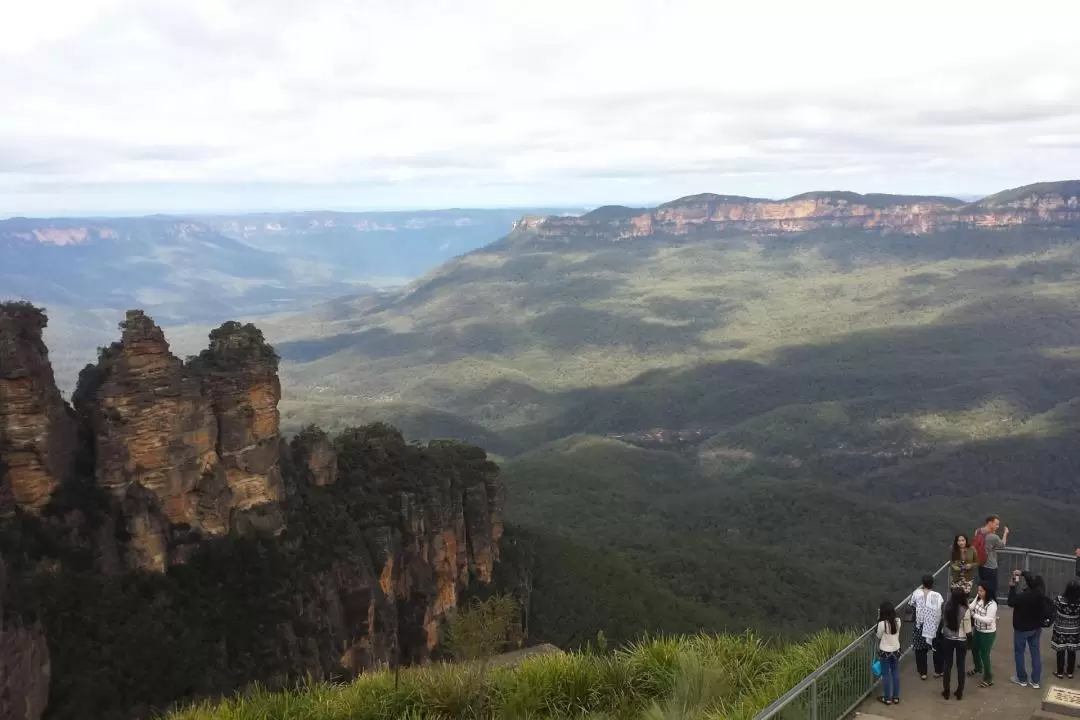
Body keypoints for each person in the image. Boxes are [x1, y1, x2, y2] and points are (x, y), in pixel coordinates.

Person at [1009, 570, 1048, 689]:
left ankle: (1022, 679)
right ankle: (1035, 680)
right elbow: (1034, 579)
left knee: (1019, 653)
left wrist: (1012, 587)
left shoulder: (1022, 597)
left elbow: (1011, 602)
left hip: (1021, 629)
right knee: (1035, 653)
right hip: (1035, 628)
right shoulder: (1042, 594)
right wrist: (1022, 573)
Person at [910, 574, 945, 680]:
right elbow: (941, 608)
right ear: (932, 583)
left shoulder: (916, 593)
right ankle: (938, 671)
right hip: (934, 625)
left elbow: (911, 605)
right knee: (936, 648)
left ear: (922, 583)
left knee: (920, 650)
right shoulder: (937, 595)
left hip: (920, 625)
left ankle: (923, 672)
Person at [940, 587, 972, 700]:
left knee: (947, 665)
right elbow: (968, 629)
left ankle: (946, 691)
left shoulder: (945, 607)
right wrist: (971, 642)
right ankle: (959, 692)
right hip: (961, 639)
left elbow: (942, 621)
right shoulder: (965, 609)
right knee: (960, 665)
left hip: (948, 638)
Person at [969, 581, 998, 687]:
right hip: (977, 630)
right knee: (974, 649)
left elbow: (989, 620)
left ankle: (988, 678)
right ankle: (978, 668)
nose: (979, 592)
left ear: (987, 591)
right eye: (978, 590)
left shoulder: (992, 604)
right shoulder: (978, 598)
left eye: (981, 591)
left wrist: (974, 615)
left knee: (984, 654)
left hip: (988, 633)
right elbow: (971, 606)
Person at [974, 515, 1009, 600]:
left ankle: (981, 606)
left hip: (981, 564)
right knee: (992, 589)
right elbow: (1002, 545)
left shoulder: (978, 531)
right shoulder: (993, 537)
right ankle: (992, 607)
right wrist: (1005, 533)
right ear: (990, 523)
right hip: (990, 567)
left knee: (982, 587)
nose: (998, 526)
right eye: (996, 524)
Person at [1052, 579, 1080, 679]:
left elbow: (1053, 609)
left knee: (1060, 651)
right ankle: (1070, 672)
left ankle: (1059, 672)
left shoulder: (1059, 599)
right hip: (1074, 630)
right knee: (1072, 651)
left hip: (1060, 628)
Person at [876, 601, 902, 705]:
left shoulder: (882, 624)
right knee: (895, 672)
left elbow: (878, 636)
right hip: (896, 650)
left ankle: (887, 698)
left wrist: (878, 619)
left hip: (885, 652)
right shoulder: (898, 621)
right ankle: (895, 697)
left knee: (886, 674)